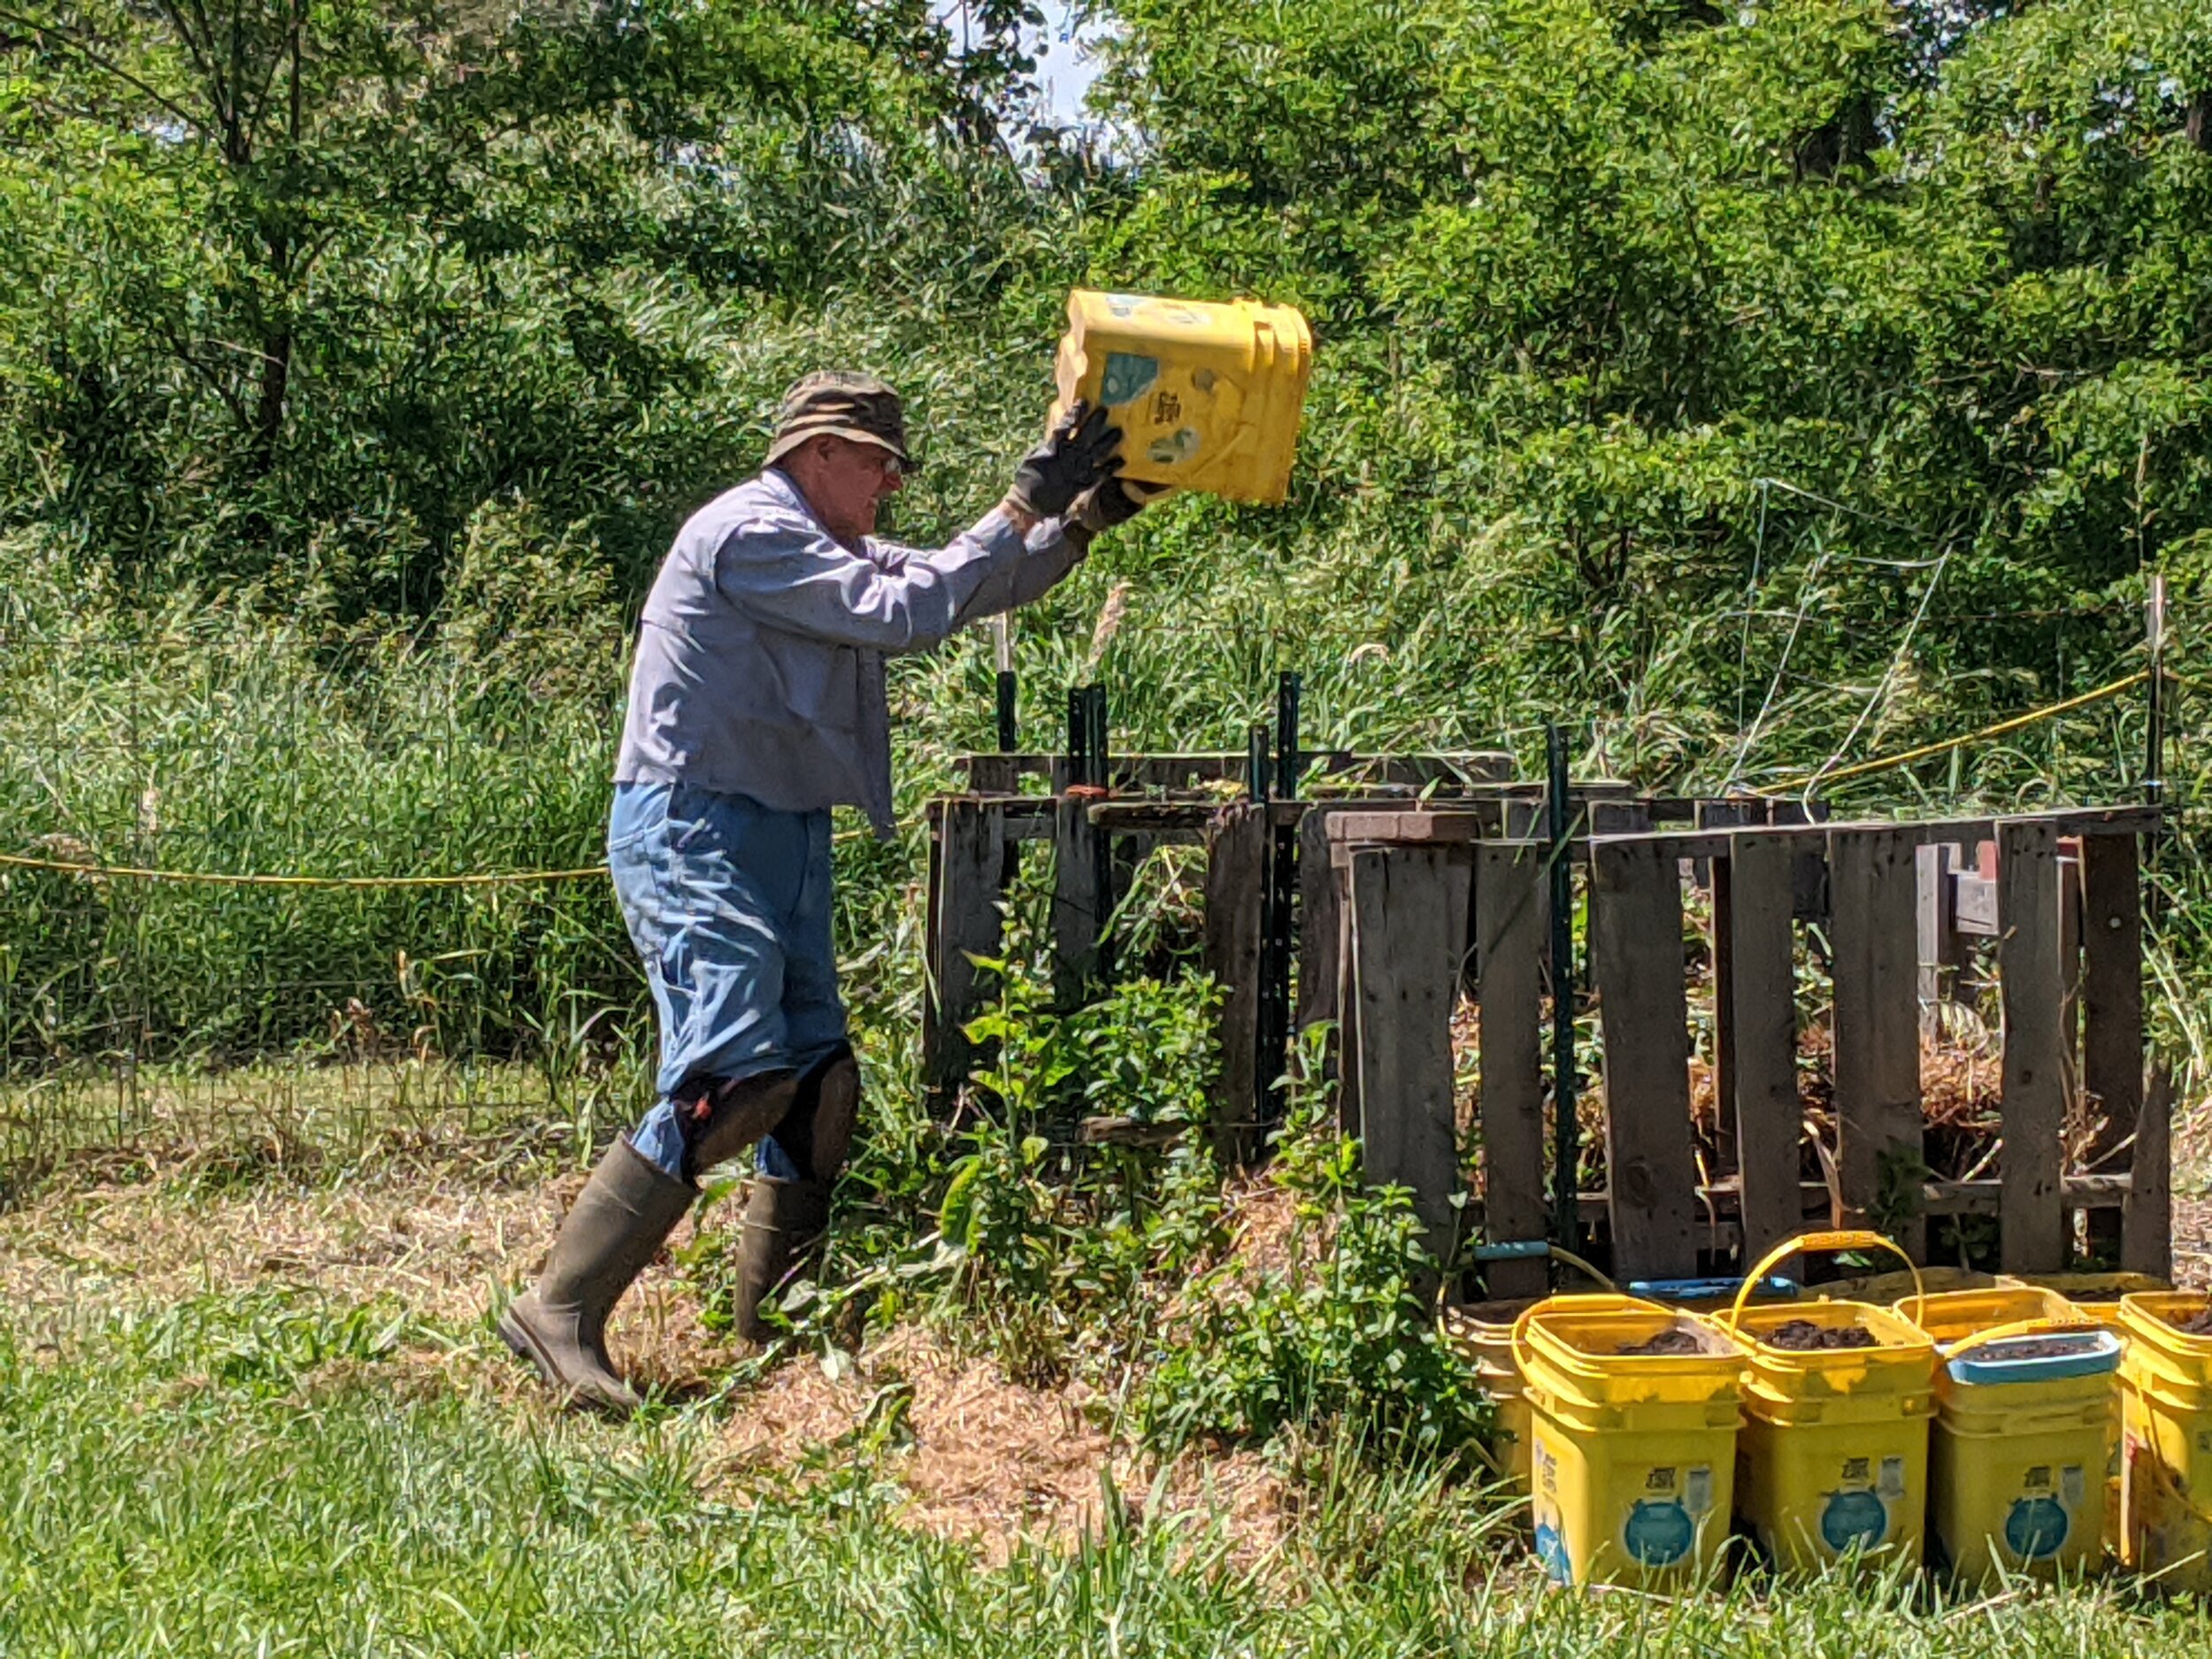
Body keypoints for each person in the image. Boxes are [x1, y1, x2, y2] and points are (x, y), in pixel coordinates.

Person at [500, 372, 1150, 1412]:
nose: (892, 482)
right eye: (879, 462)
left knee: (817, 1080)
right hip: (693, 822)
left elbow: (961, 585)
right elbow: (905, 613)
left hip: (780, 826)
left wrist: (1081, 521)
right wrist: (1019, 500)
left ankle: (779, 1335)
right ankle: (561, 1310)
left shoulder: (827, 542)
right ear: (818, 454)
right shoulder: (751, 534)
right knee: (736, 1072)